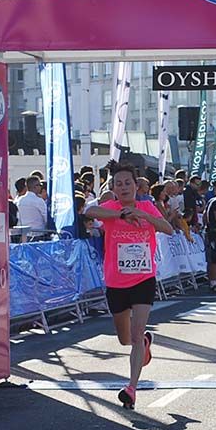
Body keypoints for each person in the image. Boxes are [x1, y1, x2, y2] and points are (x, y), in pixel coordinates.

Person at [84, 164, 174, 409]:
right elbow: (90, 211)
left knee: (134, 334)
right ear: (112, 188)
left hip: (143, 279)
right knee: (125, 339)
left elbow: (169, 229)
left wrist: (147, 217)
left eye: (128, 183)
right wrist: (120, 215)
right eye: (119, 183)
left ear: (137, 186)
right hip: (116, 281)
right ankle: (144, 343)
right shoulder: (110, 209)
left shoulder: (146, 206)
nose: (124, 187)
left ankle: (131, 389)